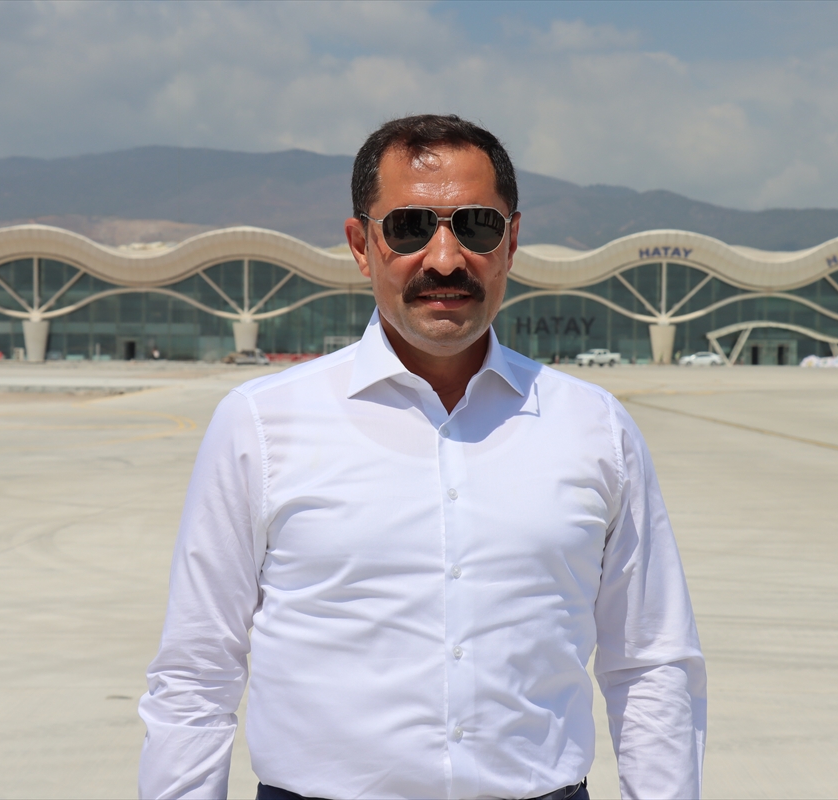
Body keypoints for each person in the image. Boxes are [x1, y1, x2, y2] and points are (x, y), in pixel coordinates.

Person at [139, 115, 706, 800]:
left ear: (511, 242)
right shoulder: (261, 424)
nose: (444, 258)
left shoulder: (594, 428)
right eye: (409, 228)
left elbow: (650, 664)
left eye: (476, 227)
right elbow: (197, 672)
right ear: (361, 245)